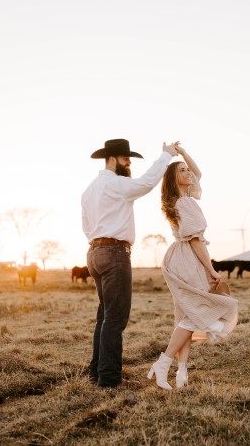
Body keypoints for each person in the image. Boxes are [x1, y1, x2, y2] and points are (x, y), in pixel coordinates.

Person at [82, 138, 178, 388]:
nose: (129, 162)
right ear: (111, 159)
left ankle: (98, 373)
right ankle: (110, 379)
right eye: (125, 158)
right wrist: (166, 155)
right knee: (115, 319)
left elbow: (86, 225)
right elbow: (146, 183)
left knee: (104, 316)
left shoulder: (90, 189)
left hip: (94, 252)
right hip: (114, 252)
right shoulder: (116, 183)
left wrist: (99, 244)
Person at [147, 144, 238, 390]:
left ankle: (180, 371)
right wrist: (211, 270)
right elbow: (196, 240)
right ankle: (165, 362)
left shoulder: (181, 200)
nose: (189, 173)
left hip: (178, 257)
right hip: (188, 258)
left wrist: (183, 153)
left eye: (188, 170)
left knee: (185, 316)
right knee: (195, 313)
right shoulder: (185, 204)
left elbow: (198, 173)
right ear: (174, 178)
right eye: (183, 171)